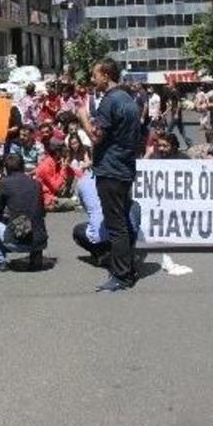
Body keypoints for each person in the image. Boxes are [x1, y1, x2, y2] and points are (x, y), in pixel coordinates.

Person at [77, 58, 142, 292]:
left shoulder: (110, 101)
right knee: (121, 220)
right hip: (124, 168)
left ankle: (122, 275)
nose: (93, 80)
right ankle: (126, 268)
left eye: (95, 75)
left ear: (106, 75)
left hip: (111, 169)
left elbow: (96, 136)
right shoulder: (129, 99)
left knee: (116, 225)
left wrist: (82, 116)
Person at [0, 153, 49, 271]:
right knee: (31, 216)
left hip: (17, 241)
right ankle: (36, 254)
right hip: (41, 240)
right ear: (23, 166)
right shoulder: (36, 183)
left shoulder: (5, 183)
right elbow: (42, 211)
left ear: (6, 168)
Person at [34, 138, 77, 211]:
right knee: (72, 203)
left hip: (56, 193)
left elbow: (73, 175)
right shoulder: (45, 166)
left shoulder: (57, 161)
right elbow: (56, 187)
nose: (66, 150)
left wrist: (67, 163)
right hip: (47, 199)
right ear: (57, 151)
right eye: (63, 149)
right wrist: (63, 169)